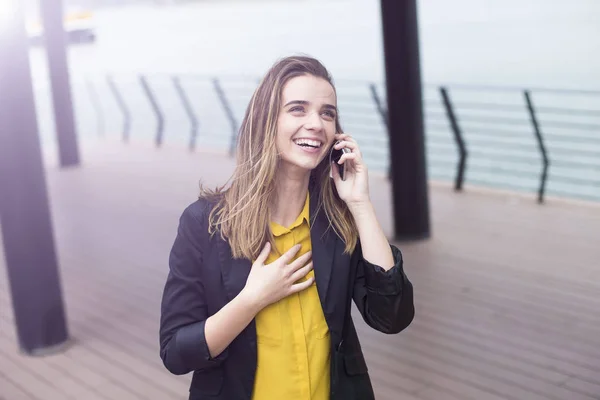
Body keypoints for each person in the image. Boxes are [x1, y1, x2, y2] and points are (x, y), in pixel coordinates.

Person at [159, 56, 414, 400]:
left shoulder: (338, 221)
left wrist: (360, 205)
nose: (317, 124)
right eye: (297, 109)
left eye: (327, 113)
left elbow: (392, 316)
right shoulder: (204, 223)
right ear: (266, 121)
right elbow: (176, 352)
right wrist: (251, 300)